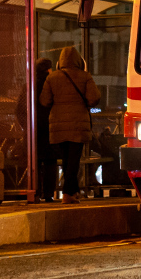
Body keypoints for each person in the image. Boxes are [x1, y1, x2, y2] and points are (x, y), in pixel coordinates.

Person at [40, 46, 100, 204]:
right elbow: (94, 98)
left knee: (66, 159)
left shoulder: (51, 78)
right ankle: (68, 193)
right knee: (74, 159)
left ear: (60, 62)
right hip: (78, 123)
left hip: (58, 123)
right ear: (78, 61)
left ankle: (72, 192)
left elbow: (44, 101)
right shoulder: (85, 76)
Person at [16, 58, 55, 202]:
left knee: (35, 162)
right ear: (48, 70)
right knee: (50, 162)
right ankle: (49, 194)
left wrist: (26, 126)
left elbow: (19, 109)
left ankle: (35, 192)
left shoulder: (28, 87)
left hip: (33, 131)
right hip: (49, 129)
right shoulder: (51, 85)